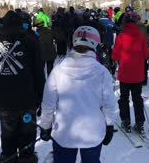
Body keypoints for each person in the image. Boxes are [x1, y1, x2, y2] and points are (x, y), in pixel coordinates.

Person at [39, 26, 117, 163]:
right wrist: (109, 125)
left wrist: (46, 125)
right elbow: (109, 103)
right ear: (95, 44)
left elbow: (48, 104)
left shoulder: (58, 70)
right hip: (92, 132)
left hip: (64, 133)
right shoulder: (101, 71)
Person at [0, 11, 45, 162]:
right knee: (27, 140)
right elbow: (39, 72)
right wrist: (42, 98)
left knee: (8, 141)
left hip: (5, 103)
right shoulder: (32, 41)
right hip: (28, 100)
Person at [112, 12, 149, 133]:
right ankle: (140, 122)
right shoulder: (141, 36)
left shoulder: (121, 36)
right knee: (137, 98)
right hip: (138, 74)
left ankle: (126, 121)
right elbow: (146, 55)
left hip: (125, 73)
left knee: (124, 98)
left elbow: (114, 55)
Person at [99, 10, 118, 74]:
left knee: (101, 55)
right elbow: (117, 29)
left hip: (100, 42)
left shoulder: (98, 22)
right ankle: (111, 67)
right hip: (110, 42)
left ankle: (103, 67)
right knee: (110, 55)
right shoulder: (111, 22)